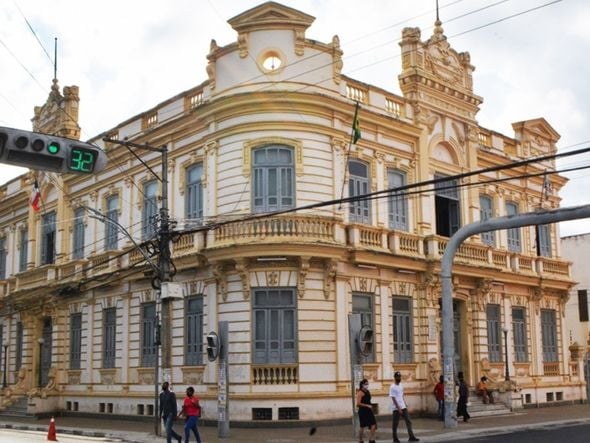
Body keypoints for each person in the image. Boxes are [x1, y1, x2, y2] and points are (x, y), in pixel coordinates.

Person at [390, 371, 420, 443]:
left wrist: (404, 403)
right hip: (396, 408)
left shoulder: (401, 385)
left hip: (403, 406)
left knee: (408, 421)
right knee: (395, 423)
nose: (399, 378)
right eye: (397, 377)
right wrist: (398, 408)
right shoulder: (392, 387)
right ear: (395, 378)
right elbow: (393, 398)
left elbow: (401, 395)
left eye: (399, 377)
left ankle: (411, 437)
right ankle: (395, 438)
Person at [356, 378, 377, 443]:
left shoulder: (367, 391)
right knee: (362, 426)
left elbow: (368, 400)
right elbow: (358, 403)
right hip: (363, 411)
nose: (367, 385)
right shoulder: (360, 392)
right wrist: (367, 405)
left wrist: (371, 406)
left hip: (369, 410)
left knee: (373, 424)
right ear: (362, 385)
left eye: (367, 384)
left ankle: (371, 439)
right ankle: (360, 440)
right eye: (365, 384)